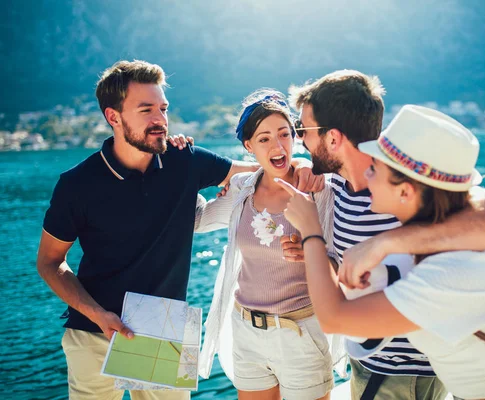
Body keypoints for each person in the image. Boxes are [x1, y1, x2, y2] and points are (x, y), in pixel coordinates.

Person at [36, 61, 320, 400]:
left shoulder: (184, 161)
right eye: (146, 110)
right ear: (113, 116)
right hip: (93, 332)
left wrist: (302, 164)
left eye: (163, 108)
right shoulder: (76, 185)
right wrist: (97, 314)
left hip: (165, 327)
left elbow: (266, 170)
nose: (160, 119)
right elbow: (50, 263)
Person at [276, 104, 485, 400]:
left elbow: (335, 319)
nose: (367, 173)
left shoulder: (443, 273)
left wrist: (311, 231)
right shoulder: (444, 229)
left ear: (405, 192)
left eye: (375, 169)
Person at [190, 89, 345, 400]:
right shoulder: (240, 189)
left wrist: (311, 252)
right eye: (264, 139)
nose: (277, 145)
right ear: (249, 146)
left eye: (284, 134)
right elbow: (196, 221)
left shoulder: (317, 190)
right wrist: (186, 169)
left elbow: (343, 264)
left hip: (300, 332)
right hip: (246, 330)